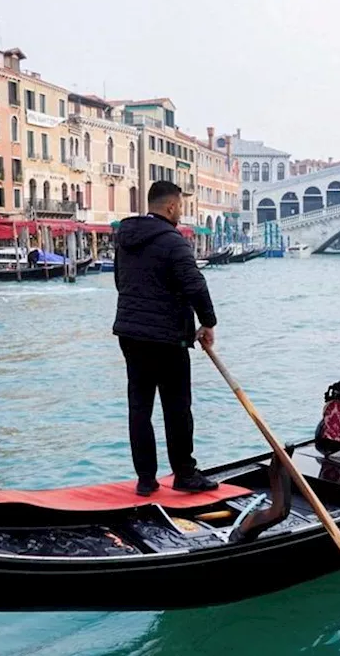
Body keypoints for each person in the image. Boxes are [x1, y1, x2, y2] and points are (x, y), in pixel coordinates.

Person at [113, 181, 219, 496]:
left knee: (139, 407)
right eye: (181, 206)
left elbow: (121, 282)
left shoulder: (125, 238)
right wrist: (208, 322)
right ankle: (185, 473)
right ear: (171, 207)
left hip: (130, 334)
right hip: (167, 338)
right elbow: (194, 285)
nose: (181, 211)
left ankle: (146, 480)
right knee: (176, 407)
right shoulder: (174, 242)